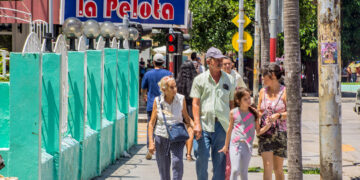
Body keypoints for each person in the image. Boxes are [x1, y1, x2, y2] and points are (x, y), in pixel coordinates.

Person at [190, 47, 235, 180]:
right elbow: (195, 103)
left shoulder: (230, 80)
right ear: (209, 62)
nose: (220, 62)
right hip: (203, 125)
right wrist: (197, 124)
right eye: (217, 60)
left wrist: (233, 125)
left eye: (221, 59)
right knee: (201, 157)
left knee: (220, 161)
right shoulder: (199, 80)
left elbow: (232, 104)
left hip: (222, 126)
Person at [148, 76, 193, 180]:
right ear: (164, 89)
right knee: (163, 168)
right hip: (161, 136)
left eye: (175, 86)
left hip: (177, 136)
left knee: (177, 161)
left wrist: (195, 126)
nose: (175, 89)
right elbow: (151, 123)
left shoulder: (181, 99)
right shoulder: (158, 101)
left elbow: (186, 117)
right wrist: (151, 142)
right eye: (172, 87)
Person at [257, 63, 287, 180]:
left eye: (264, 75)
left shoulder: (285, 92)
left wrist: (278, 115)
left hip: (280, 133)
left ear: (273, 75)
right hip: (265, 133)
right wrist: (260, 116)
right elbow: (259, 111)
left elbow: (291, 113)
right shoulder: (262, 92)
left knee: (278, 169)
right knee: (267, 166)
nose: (262, 78)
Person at [141, 53, 172, 160]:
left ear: (153, 62)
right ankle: (165, 148)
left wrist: (144, 96)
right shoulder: (168, 74)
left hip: (151, 104)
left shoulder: (148, 74)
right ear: (163, 62)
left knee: (151, 125)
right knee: (167, 125)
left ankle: (150, 148)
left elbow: (143, 89)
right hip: (166, 104)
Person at [176, 61, 198, 161]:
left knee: (181, 128)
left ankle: (178, 152)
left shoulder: (177, 81)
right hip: (191, 106)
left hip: (180, 105)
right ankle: (188, 154)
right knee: (190, 129)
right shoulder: (196, 81)